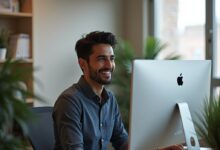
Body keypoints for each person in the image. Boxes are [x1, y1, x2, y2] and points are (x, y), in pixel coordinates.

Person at [52, 31, 184, 150]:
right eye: (101, 59)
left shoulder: (109, 99)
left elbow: (123, 143)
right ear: (83, 64)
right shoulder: (70, 101)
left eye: (112, 58)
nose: (109, 65)